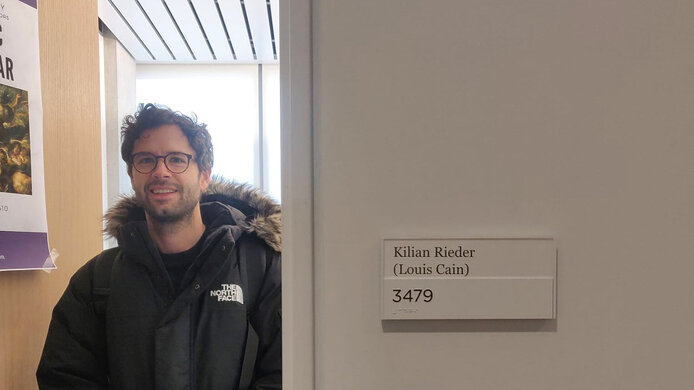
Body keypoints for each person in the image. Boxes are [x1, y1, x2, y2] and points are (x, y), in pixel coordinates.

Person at [36, 104, 282, 390]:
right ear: (132, 175)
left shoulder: (261, 269)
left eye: (177, 160)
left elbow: (288, 370)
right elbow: (65, 378)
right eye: (146, 160)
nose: (160, 171)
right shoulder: (97, 282)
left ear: (204, 175)